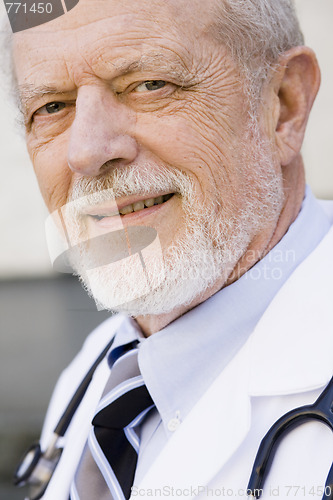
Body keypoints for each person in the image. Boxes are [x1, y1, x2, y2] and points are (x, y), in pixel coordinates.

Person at [9, 0, 332, 498]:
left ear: (284, 105)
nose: (87, 153)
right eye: (52, 107)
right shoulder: (98, 369)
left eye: (148, 85)